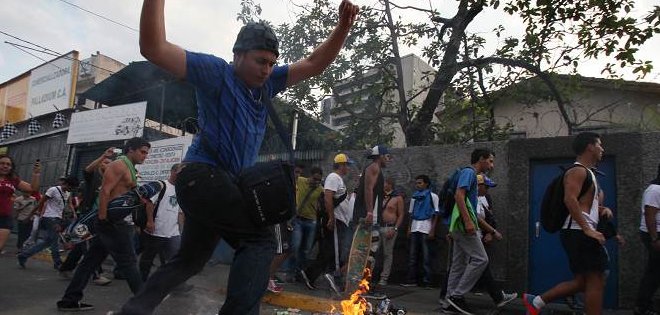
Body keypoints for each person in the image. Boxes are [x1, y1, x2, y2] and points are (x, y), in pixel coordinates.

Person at [117, 1, 359, 313]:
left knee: (190, 261)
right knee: (260, 242)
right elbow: (154, 47)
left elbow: (314, 63)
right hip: (202, 176)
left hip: (219, 185)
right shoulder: (217, 73)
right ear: (238, 55)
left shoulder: (267, 86)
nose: (267, 69)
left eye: (272, 63)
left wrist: (342, 28)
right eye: (261, 61)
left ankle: (134, 310)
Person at [56, 137, 153, 311]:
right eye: (143, 152)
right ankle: (143, 306)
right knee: (129, 263)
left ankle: (69, 300)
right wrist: (103, 218)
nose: (145, 156)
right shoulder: (119, 165)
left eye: (147, 153)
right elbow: (105, 191)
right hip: (112, 222)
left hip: (115, 221)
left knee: (90, 262)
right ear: (131, 149)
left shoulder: (129, 168)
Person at [523, 132, 611, 315]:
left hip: (579, 232)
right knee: (597, 279)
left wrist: (601, 210)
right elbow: (569, 199)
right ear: (590, 147)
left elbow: (581, 203)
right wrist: (588, 229)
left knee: (582, 282)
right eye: (599, 145)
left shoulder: (588, 173)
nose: (602, 149)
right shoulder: (577, 171)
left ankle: (536, 302)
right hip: (579, 232)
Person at [444, 148, 494, 315]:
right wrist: (467, 221)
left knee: (459, 264)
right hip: (464, 226)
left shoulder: (469, 173)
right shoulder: (469, 172)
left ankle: (449, 301)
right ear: (481, 159)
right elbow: (459, 195)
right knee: (481, 259)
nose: (491, 165)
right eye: (490, 161)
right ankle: (457, 296)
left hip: (459, 226)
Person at [58, 148, 115, 285]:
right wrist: (103, 156)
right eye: (105, 163)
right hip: (85, 219)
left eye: (110, 163)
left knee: (81, 245)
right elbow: (87, 170)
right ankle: (96, 275)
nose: (108, 165)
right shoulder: (94, 178)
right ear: (101, 164)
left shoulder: (112, 182)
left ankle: (65, 268)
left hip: (100, 219)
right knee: (89, 245)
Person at [300, 154, 353, 295]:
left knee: (328, 250)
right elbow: (328, 197)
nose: (348, 168)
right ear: (341, 165)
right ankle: (333, 277)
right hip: (335, 220)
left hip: (339, 220)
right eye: (347, 165)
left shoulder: (338, 179)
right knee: (334, 251)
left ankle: (309, 274)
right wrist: (331, 218)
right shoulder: (333, 178)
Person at [267, 167, 324, 293]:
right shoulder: (299, 181)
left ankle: (297, 273)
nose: (316, 182)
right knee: (293, 247)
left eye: (319, 180)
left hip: (311, 220)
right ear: (309, 176)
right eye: (315, 179)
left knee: (305, 249)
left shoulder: (320, 190)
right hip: (296, 219)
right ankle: (283, 274)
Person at [139, 164, 188, 288]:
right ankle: (141, 281)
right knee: (148, 257)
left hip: (173, 232)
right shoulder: (162, 185)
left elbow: (180, 212)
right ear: (173, 172)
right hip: (157, 229)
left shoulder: (181, 190)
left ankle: (177, 283)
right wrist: (150, 221)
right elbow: (150, 204)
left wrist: (181, 230)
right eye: (180, 172)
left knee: (176, 258)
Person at [472, 174, 517, 307]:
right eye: (486, 187)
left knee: (475, 264)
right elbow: (474, 217)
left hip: (479, 236)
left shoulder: (486, 198)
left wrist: (489, 232)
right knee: (480, 263)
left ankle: (451, 295)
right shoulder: (469, 197)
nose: (487, 190)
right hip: (469, 236)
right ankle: (498, 297)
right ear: (478, 186)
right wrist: (493, 231)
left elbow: (490, 216)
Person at [18, 176, 79, 269]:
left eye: (72, 189)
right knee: (54, 240)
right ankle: (58, 263)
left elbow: (61, 207)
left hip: (57, 219)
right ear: (66, 184)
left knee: (46, 242)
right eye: (70, 187)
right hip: (49, 218)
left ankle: (24, 255)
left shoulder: (67, 193)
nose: (70, 190)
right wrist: (30, 216)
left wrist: (62, 218)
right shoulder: (53, 190)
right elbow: (40, 203)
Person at [402, 174, 439, 287]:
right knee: (412, 256)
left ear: (426, 184)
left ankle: (427, 281)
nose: (417, 185)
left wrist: (432, 230)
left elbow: (436, 214)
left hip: (426, 228)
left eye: (420, 183)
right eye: (416, 183)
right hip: (414, 228)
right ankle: (411, 280)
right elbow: (411, 214)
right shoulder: (415, 197)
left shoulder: (433, 196)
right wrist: (409, 228)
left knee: (426, 256)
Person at [634, 163, 660, 315]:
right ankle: (642, 305)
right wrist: (655, 239)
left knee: (654, 270)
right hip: (654, 233)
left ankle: (643, 305)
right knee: (654, 271)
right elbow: (649, 215)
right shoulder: (655, 189)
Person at [0, 155, 40, 253]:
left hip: (4, 218)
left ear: (11, 167)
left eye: (8, 164)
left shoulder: (14, 180)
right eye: (2, 163)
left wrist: (36, 174)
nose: (5, 166)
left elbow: (33, 189)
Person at [377, 177, 403, 286]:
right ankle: (369, 276)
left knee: (387, 253)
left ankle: (384, 277)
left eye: (384, 183)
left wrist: (395, 228)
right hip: (378, 227)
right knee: (372, 252)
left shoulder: (397, 198)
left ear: (389, 184)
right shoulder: (379, 196)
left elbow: (401, 214)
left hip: (390, 227)